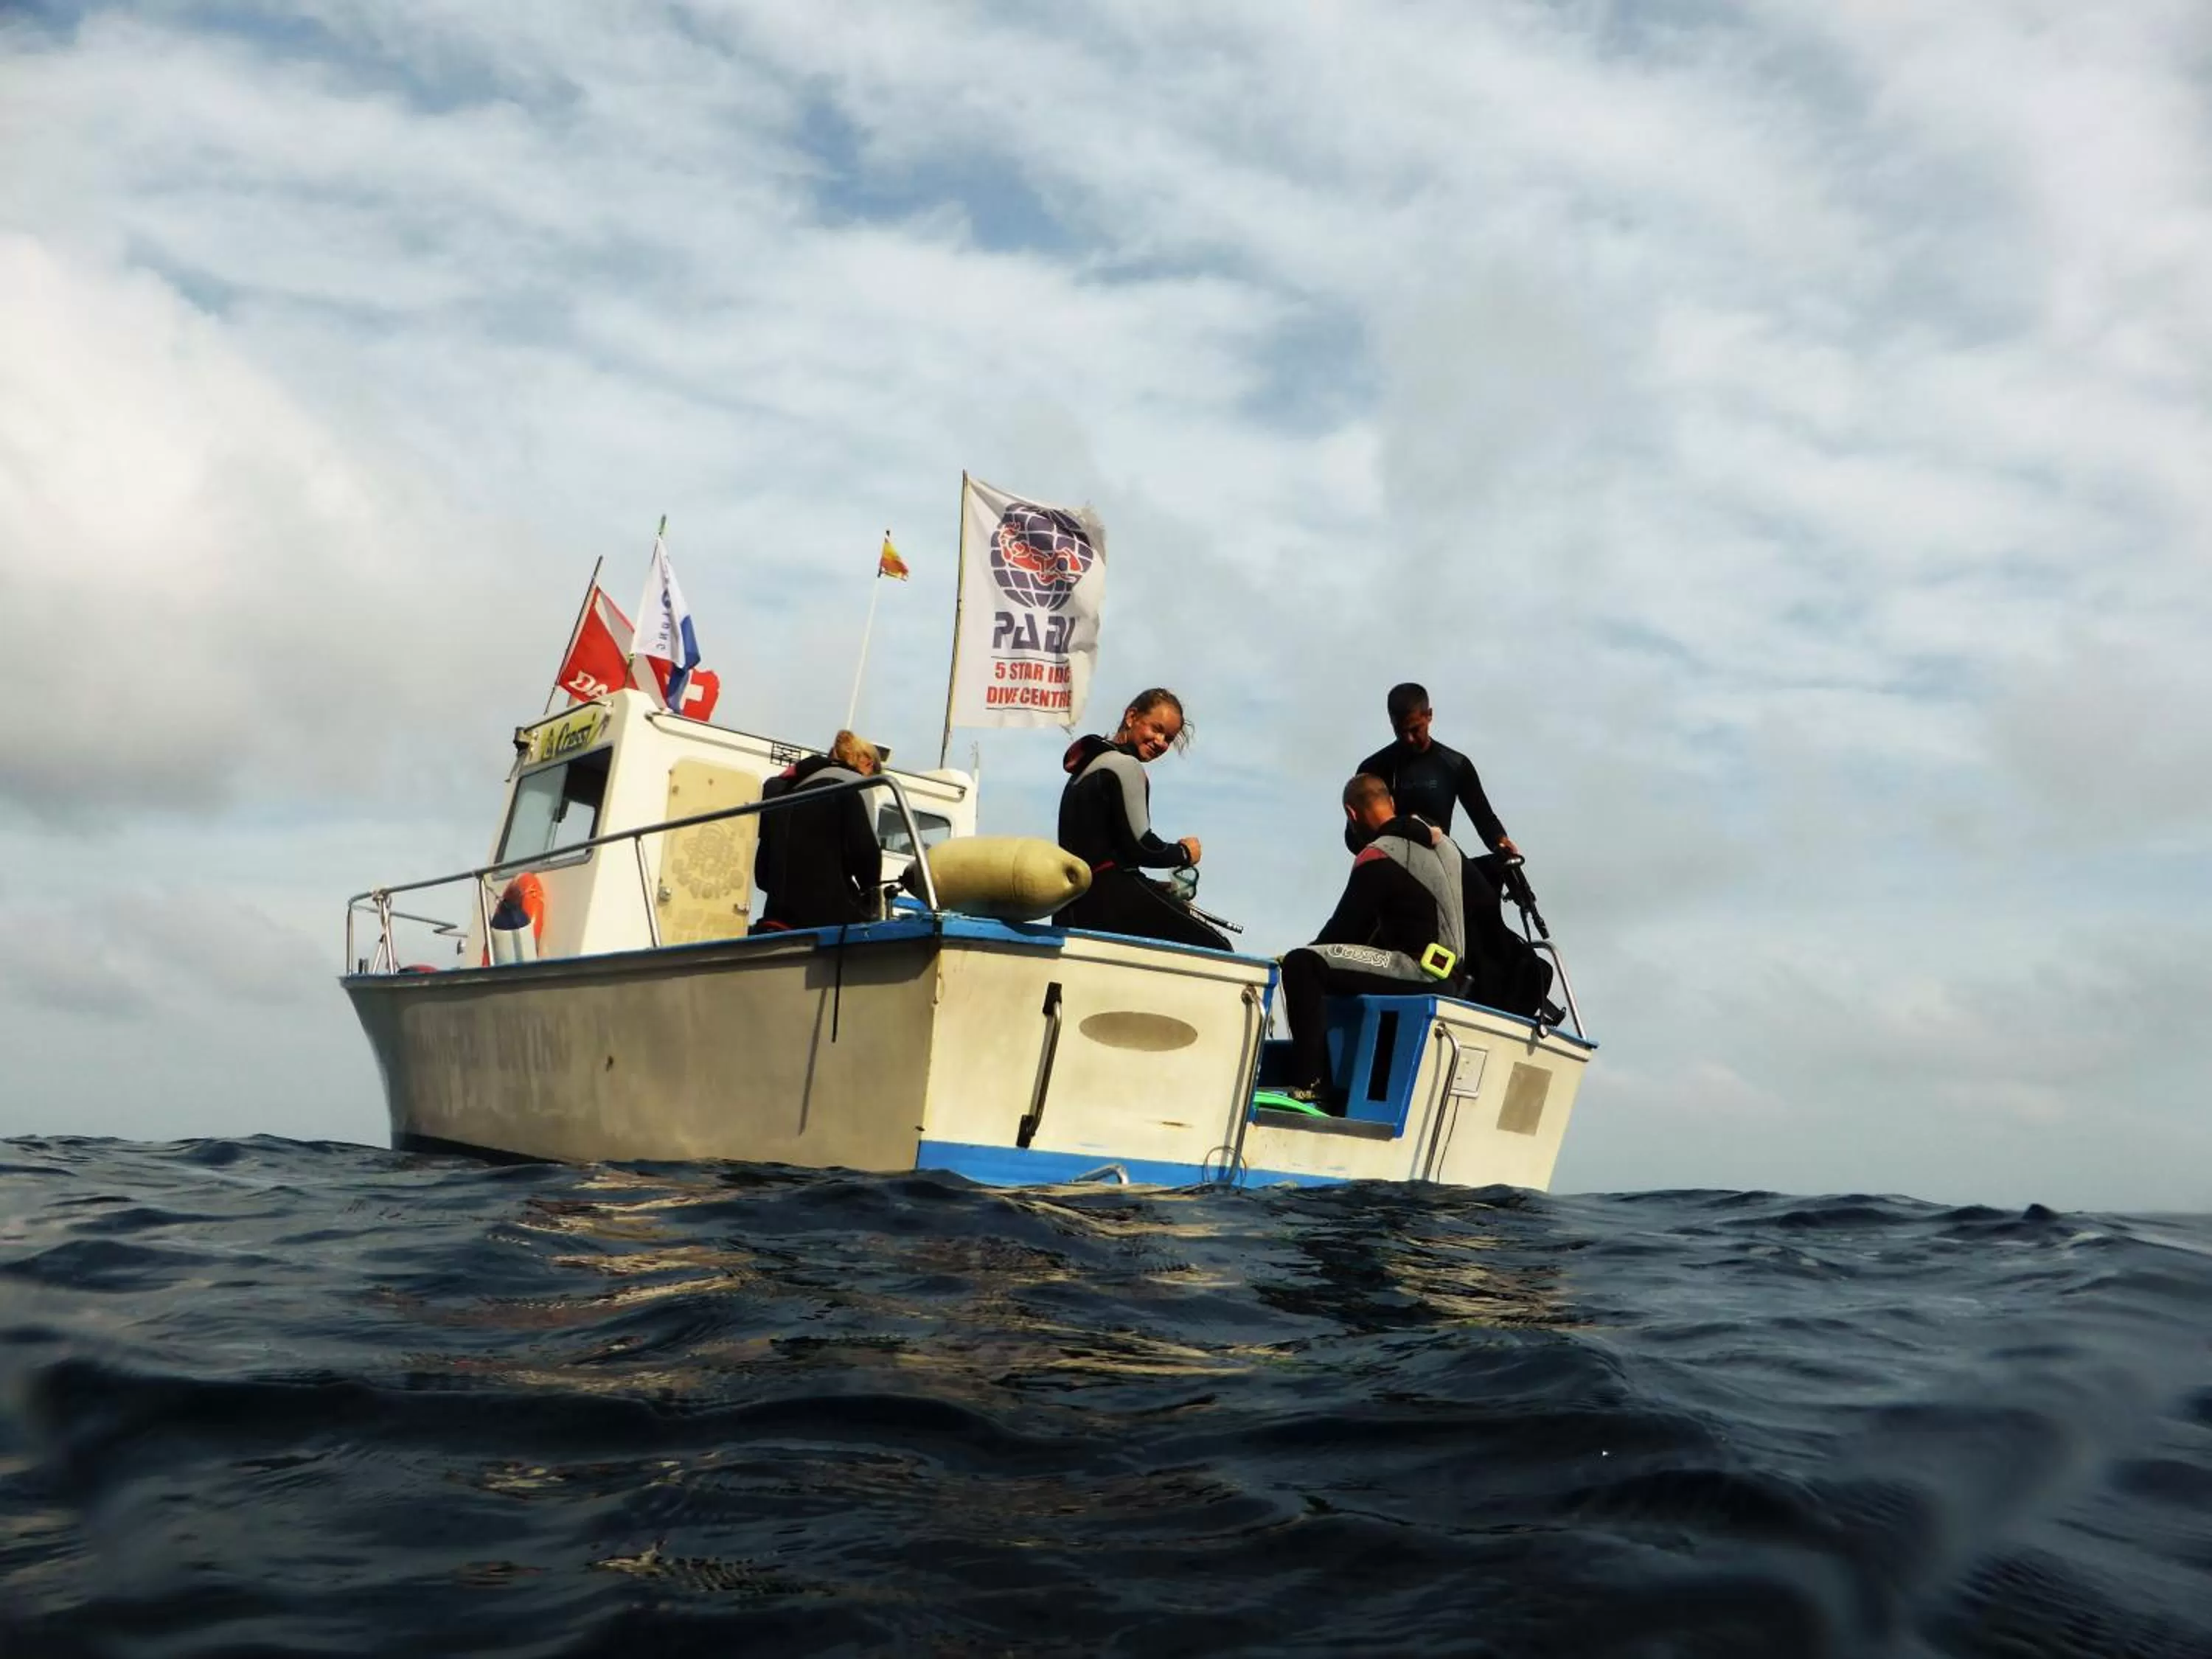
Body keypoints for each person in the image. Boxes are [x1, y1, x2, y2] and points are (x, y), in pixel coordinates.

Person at [1279, 773, 1467, 1111]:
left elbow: (1345, 930)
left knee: (1302, 964)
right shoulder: (1446, 846)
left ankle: (1311, 1085)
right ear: (1392, 802)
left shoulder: (1379, 854)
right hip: (1453, 973)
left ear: (1352, 814)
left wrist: (1306, 951)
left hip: (1418, 971)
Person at [1055, 688, 1230, 950]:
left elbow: (1109, 849)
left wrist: (1149, 887)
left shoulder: (1086, 769)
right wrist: (1184, 853)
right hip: (1109, 899)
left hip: (1071, 904)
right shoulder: (1125, 767)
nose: (1160, 741)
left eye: (1168, 738)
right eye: (1156, 729)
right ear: (1131, 717)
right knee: (1217, 947)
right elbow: (1141, 847)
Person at [1344, 682, 1520, 860]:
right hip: (1391, 868)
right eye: (1400, 731)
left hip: (1439, 867)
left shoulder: (1455, 765)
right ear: (1391, 722)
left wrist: (1501, 841)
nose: (1409, 739)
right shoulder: (1373, 769)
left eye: (1415, 729)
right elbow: (1354, 839)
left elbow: (1483, 817)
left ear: (1429, 715)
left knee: (1500, 866)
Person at [754, 729, 886, 930]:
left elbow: (762, 874)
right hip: (825, 917)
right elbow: (865, 854)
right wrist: (872, 894)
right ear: (868, 764)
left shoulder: (788, 786)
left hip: (775, 914)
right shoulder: (854, 784)